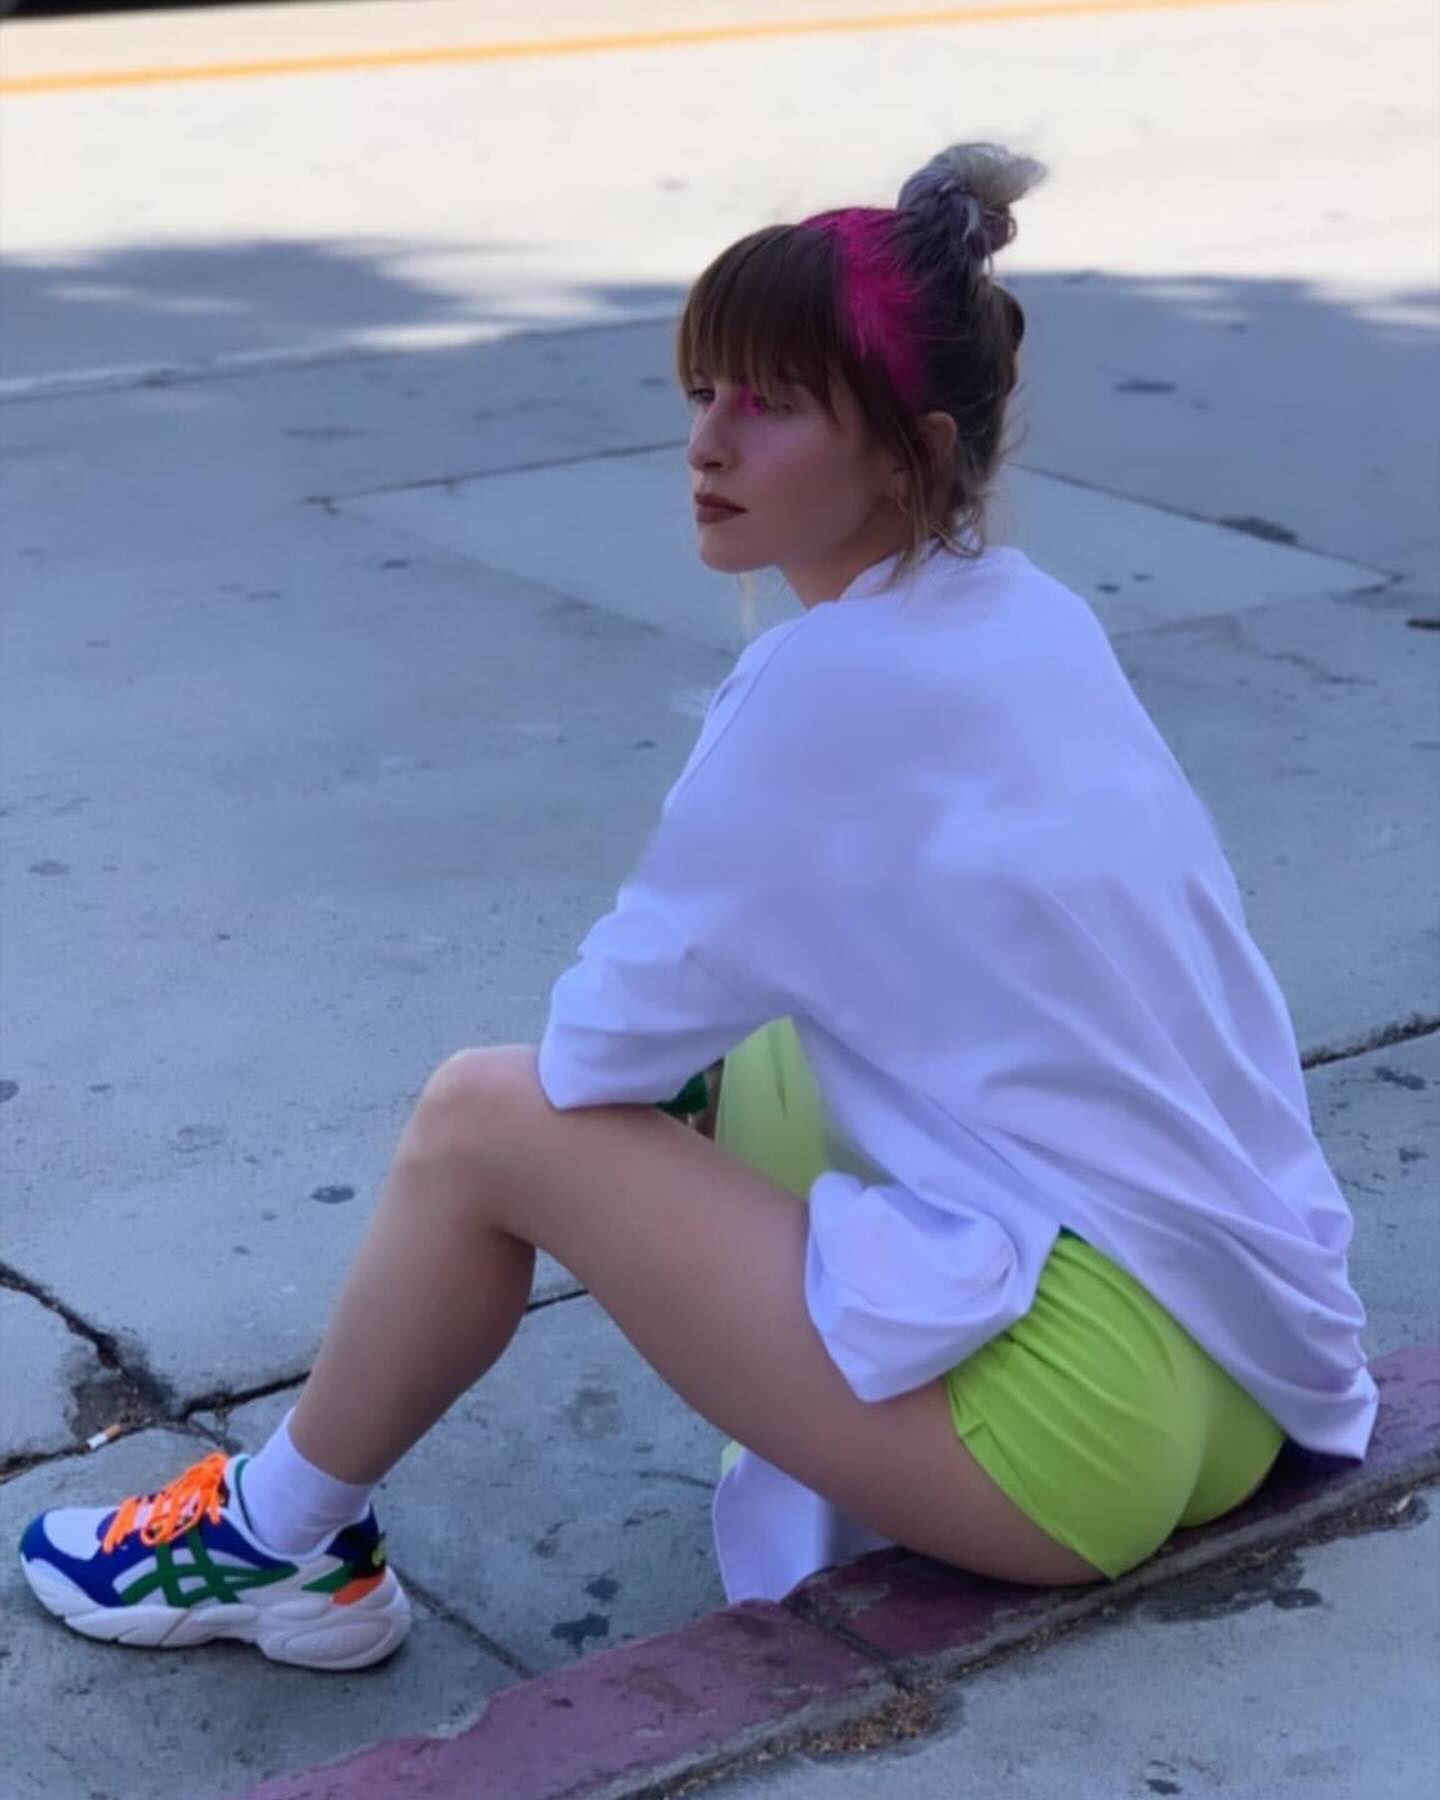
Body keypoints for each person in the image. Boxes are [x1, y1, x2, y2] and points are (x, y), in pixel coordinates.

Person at [18, 143, 1376, 1670]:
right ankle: (809, 1414)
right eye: (704, 390)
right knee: (764, 1041)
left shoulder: (821, 682)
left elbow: (596, 1055)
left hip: (1064, 1446)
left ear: (910, 453)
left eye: (773, 404)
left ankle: (279, 1538)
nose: (709, 443)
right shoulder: (1028, 618)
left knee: (482, 1120)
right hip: (1238, 1367)